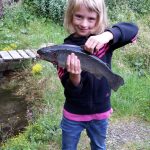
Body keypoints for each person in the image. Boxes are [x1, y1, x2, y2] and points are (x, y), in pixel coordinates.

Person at [56, 0, 139, 149]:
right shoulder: (63, 51)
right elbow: (69, 91)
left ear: (99, 18)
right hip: (73, 114)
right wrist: (75, 77)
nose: (84, 24)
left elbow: (133, 29)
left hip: (101, 112)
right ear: (71, 16)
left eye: (91, 18)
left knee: (99, 146)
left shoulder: (105, 42)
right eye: (79, 16)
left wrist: (107, 35)